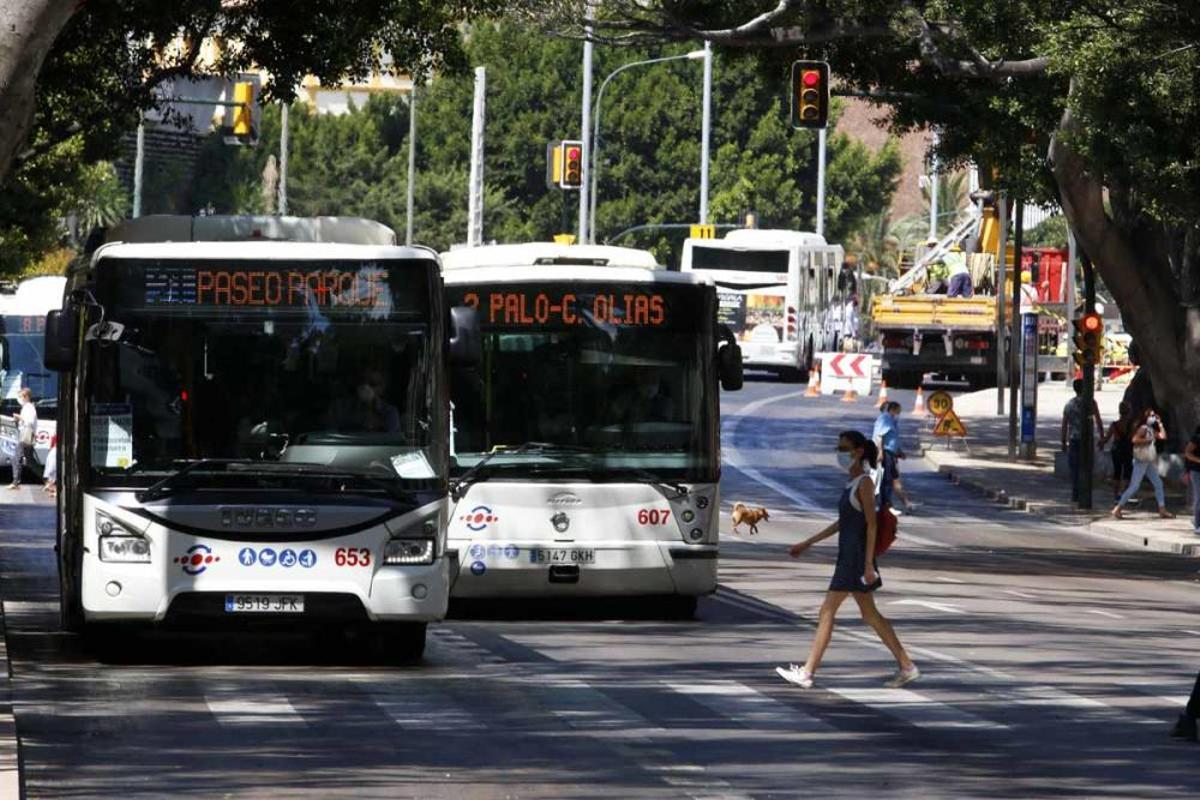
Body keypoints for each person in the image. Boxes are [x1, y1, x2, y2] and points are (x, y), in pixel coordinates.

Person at [776, 430, 918, 690]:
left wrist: (867, 564)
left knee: (827, 611)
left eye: (843, 448)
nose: (839, 453)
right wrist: (808, 543)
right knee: (870, 614)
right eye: (838, 448)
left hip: (854, 560)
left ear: (858, 451)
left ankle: (807, 673)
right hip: (851, 557)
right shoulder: (853, 483)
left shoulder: (864, 483)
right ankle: (907, 666)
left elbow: (871, 525)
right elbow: (845, 522)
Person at [1112, 408, 1173, 520]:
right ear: (1146, 417)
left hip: (1148, 460)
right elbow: (1134, 440)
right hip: (1141, 460)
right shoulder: (1144, 428)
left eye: (1154, 416)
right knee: (1134, 486)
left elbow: (1163, 436)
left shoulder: (1150, 429)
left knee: (1158, 483)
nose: (1153, 417)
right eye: (1152, 415)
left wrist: (1160, 423)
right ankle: (1118, 508)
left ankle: (1162, 509)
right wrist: (1147, 441)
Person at [1061, 379, 1103, 503]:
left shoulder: (1069, 404)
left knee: (1074, 467)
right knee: (1087, 465)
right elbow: (1098, 420)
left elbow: (1064, 424)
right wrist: (1102, 437)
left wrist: (1063, 441)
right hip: (1088, 439)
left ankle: (1076, 492)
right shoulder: (1091, 402)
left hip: (1074, 439)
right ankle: (1085, 490)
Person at [872, 401, 909, 511]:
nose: (900, 412)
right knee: (886, 480)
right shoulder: (885, 419)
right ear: (893, 409)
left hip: (891, 453)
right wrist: (880, 452)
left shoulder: (892, 420)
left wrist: (899, 452)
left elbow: (892, 438)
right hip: (886, 452)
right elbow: (880, 436)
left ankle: (893, 503)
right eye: (899, 410)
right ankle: (885, 505)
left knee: (893, 478)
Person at [1099, 402, 1135, 502]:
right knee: (1127, 472)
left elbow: (1107, 438)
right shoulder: (1132, 425)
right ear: (1128, 412)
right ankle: (1122, 492)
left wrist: (1101, 443)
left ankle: (1116, 496)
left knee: (1117, 472)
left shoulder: (1114, 425)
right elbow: (1134, 438)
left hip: (1116, 450)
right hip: (1128, 450)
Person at [8, 388, 37, 490]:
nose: (19, 399)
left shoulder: (29, 407)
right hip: (25, 435)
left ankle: (15, 482)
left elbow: (29, 422)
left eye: (20, 397)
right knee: (30, 460)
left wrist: (18, 417)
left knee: (16, 457)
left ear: (26, 397)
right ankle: (48, 480)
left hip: (25, 436)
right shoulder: (26, 407)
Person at [1184, 425, 1200, 535]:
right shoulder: (1197, 438)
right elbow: (1188, 453)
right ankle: (1198, 525)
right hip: (1197, 471)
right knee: (1199, 498)